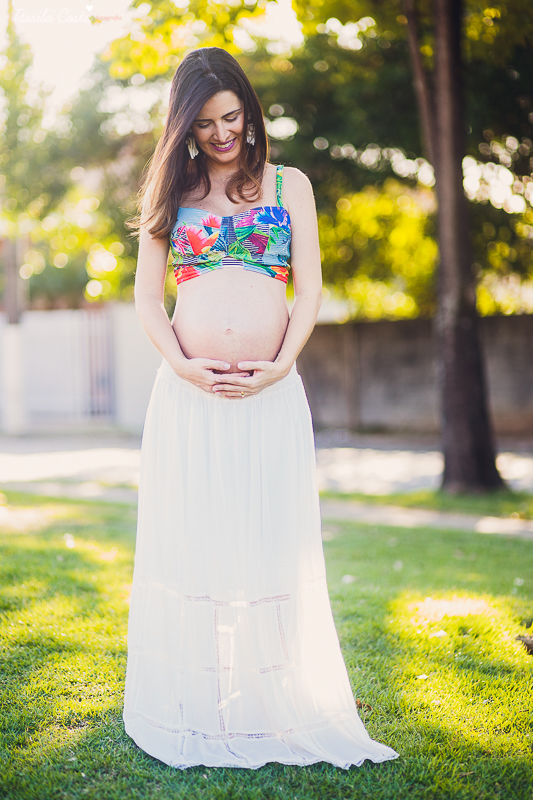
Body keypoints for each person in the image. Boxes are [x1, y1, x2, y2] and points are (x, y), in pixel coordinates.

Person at [123, 46, 398, 770]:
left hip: (272, 393)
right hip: (189, 397)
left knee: (269, 542)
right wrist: (181, 366)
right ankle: (197, 700)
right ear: (184, 125)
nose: (221, 134)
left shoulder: (288, 184)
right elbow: (148, 299)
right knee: (198, 541)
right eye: (206, 123)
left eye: (232, 118)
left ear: (250, 112)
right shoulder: (171, 192)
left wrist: (282, 364)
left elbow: (307, 290)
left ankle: (272, 699)